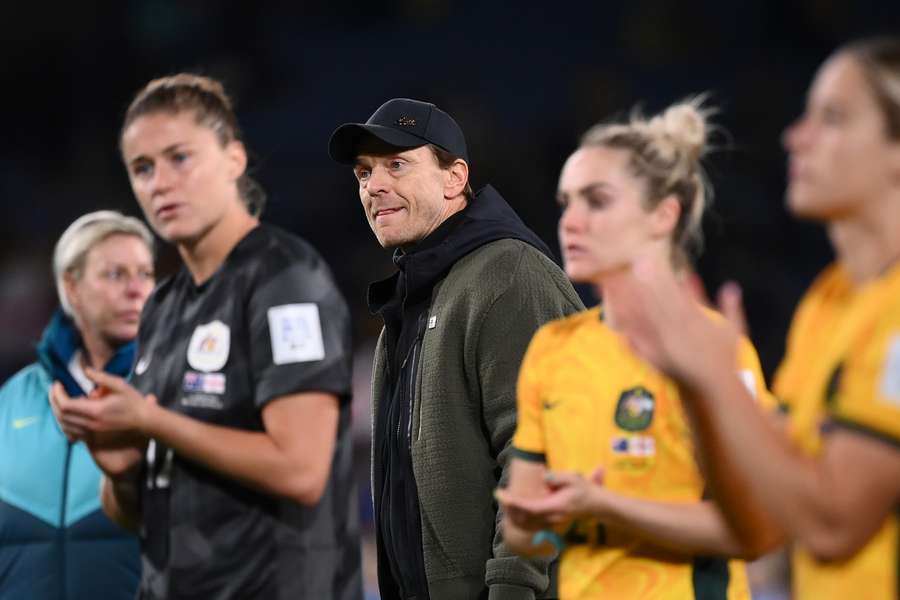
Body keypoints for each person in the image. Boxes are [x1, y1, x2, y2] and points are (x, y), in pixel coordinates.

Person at [594, 36, 900, 600]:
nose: (795, 136)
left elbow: (834, 525)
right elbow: (762, 517)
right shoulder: (828, 301)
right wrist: (697, 387)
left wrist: (715, 377)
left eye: (831, 117)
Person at [52, 74, 362, 600]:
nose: (159, 183)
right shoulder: (163, 307)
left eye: (180, 157)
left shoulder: (285, 279)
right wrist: (122, 467)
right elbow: (138, 514)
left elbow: (301, 469)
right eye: (142, 169)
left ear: (234, 159)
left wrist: (152, 421)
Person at [495, 100, 773, 599]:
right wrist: (542, 521)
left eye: (596, 201)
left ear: (664, 215)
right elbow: (527, 539)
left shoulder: (713, 347)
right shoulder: (553, 349)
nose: (571, 222)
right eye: (565, 203)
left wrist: (604, 506)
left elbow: (753, 532)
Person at [328, 98, 584, 600]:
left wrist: (513, 590)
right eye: (363, 173)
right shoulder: (414, 301)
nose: (374, 186)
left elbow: (546, 452)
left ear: (454, 178)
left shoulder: (509, 274)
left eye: (396, 165)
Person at [0, 210, 152, 599]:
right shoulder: (12, 400)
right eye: (115, 274)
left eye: (146, 274)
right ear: (72, 287)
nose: (137, 289)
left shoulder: (167, 395)